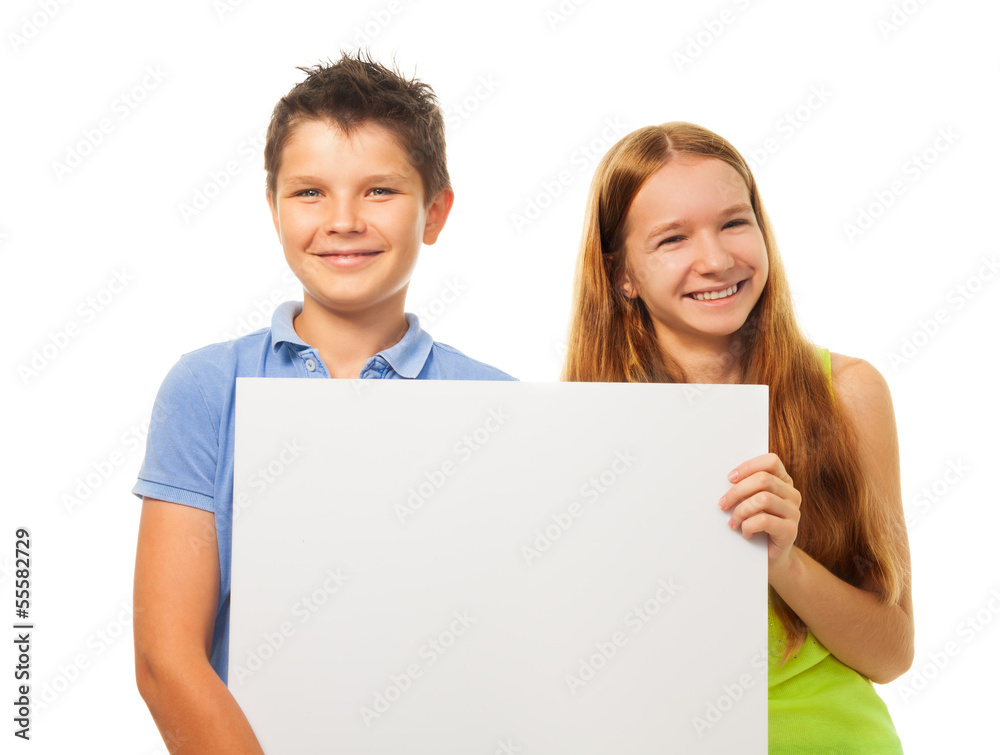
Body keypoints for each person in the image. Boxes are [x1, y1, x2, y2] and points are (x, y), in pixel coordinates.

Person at [131, 53, 514, 753]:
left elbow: (507, 654)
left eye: (379, 191)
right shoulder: (207, 389)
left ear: (435, 212)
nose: (342, 220)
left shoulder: (499, 407)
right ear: (273, 206)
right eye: (310, 192)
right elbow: (166, 662)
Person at [563, 122, 913, 752]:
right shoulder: (583, 430)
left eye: (732, 222)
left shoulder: (850, 394)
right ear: (623, 275)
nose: (717, 259)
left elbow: (891, 654)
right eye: (672, 238)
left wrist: (784, 560)